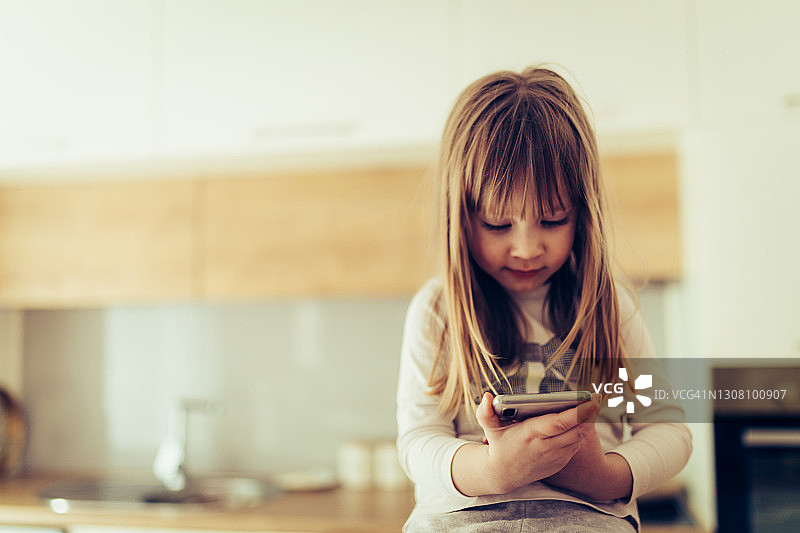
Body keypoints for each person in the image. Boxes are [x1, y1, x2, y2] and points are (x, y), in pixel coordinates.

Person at [395, 66, 691, 532]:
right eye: (498, 224)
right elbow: (417, 442)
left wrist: (602, 476)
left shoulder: (610, 305)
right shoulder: (436, 311)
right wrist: (494, 471)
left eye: (552, 220)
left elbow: (669, 430)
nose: (527, 249)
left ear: (583, 213)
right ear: (461, 218)